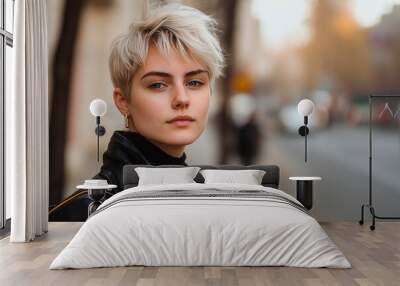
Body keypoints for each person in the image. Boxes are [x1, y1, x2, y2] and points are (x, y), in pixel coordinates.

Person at [49, 3, 225, 221]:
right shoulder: (84, 211)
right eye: (158, 85)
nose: (181, 98)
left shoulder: (203, 198)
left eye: (195, 82)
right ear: (123, 101)